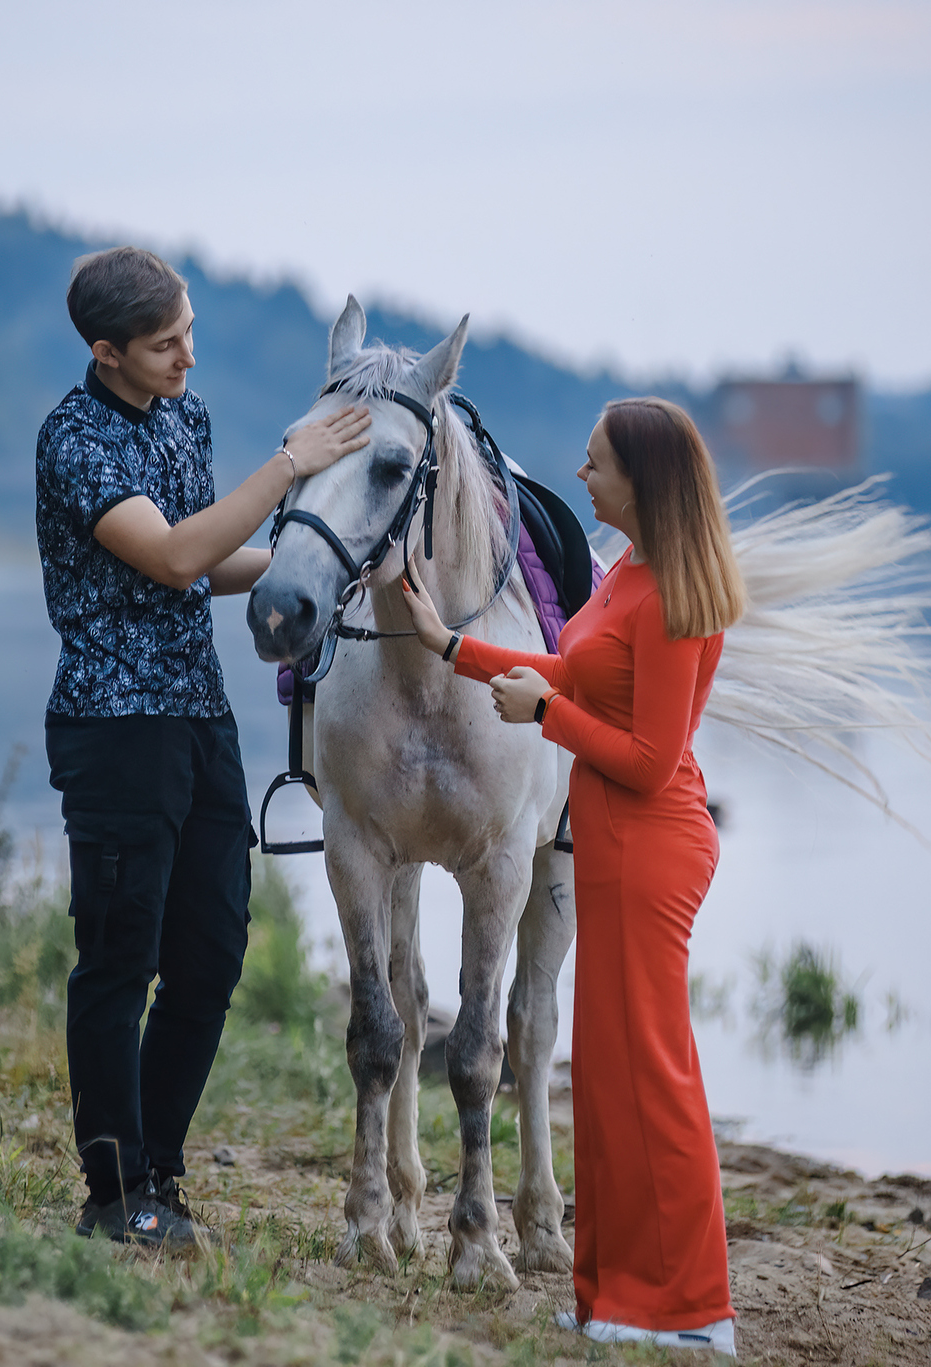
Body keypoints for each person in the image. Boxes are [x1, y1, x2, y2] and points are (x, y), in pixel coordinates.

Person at [36, 246, 370, 1248]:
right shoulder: (74, 438)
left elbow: (206, 561)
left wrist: (327, 563)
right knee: (118, 959)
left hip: (199, 718)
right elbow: (172, 551)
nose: (187, 353)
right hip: (112, 728)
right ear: (106, 351)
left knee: (211, 954)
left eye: (188, 329)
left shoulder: (186, 416)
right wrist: (293, 463)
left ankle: (158, 1174)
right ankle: (111, 1193)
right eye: (163, 343)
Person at [400, 397, 747, 1352]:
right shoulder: (627, 570)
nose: (582, 474)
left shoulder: (674, 594)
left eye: (596, 464)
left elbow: (649, 757)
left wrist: (543, 718)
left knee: (654, 1079)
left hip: (649, 846)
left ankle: (695, 1313)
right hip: (610, 844)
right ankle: (620, 1299)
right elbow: (563, 667)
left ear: (644, 478)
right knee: (603, 1077)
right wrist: (451, 648)